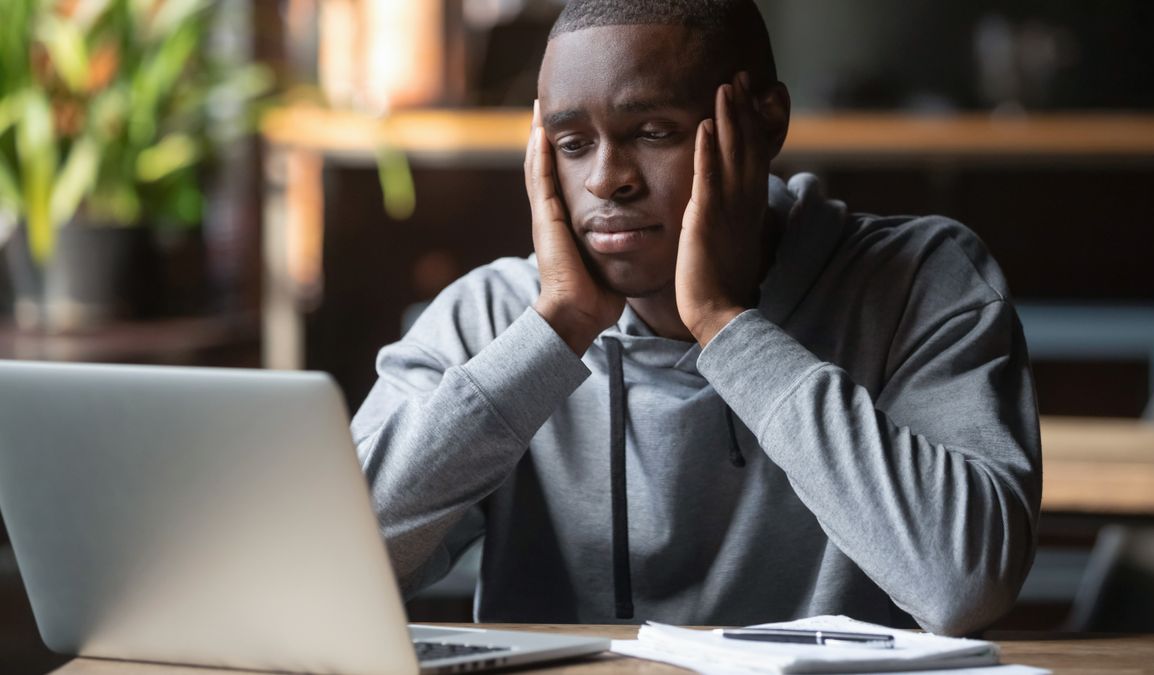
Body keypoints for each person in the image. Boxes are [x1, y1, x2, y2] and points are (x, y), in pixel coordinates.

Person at [352, 0, 1040, 636]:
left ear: (766, 123)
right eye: (571, 144)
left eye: (654, 132)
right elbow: (335, 561)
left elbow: (965, 583)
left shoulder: (921, 279)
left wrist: (726, 325)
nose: (606, 179)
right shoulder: (493, 315)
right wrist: (556, 329)